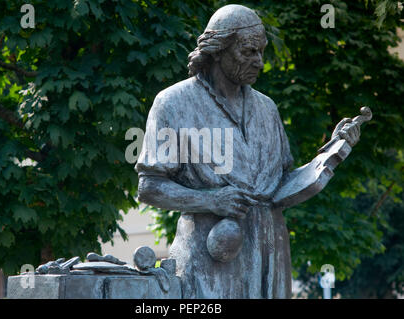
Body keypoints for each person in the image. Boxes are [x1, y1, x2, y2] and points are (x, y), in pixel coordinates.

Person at [135, 4, 360, 298]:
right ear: (217, 50)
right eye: (248, 52)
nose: (259, 62)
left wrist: (333, 152)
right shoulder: (174, 103)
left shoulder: (267, 109)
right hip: (211, 257)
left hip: (269, 249)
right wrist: (210, 200)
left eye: (261, 52)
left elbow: (280, 187)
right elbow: (149, 187)